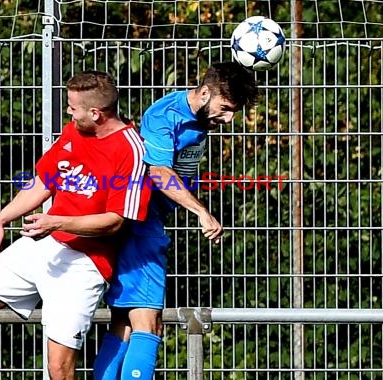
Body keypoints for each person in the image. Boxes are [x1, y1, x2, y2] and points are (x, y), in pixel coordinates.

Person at [0, 70, 151, 380]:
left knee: (58, 367)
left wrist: (58, 221)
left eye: (73, 107)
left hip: (85, 264)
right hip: (44, 245)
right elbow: (44, 182)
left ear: (97, 113)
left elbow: (115, 222)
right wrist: (2, 218)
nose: (68, 112)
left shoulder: (131, 150)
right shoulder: (74, 132)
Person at [93, 62, 259, 380]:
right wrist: (201, 211)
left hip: (139, 223)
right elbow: (159, 173)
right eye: (225, 108)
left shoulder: (199, 117)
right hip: (139, 225)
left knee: (123, 325)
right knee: (148, 325)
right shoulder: (164, 115)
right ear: (205, 92)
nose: (228, 119)